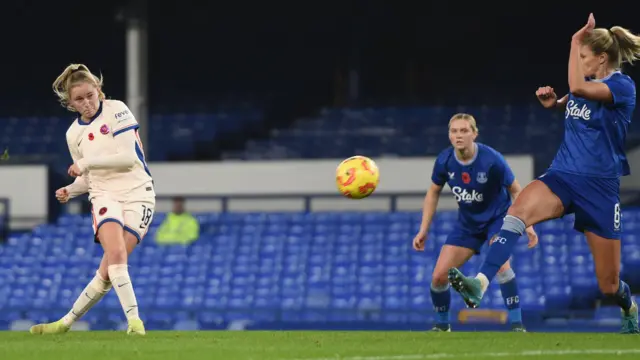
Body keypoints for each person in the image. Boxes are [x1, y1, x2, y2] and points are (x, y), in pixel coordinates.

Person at [448, 14, 640, 334]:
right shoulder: (588, 87)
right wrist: (554, 105)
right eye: (578, 56)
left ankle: (629, 305)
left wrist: (574, 41)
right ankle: (479, 283)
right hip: (562, 176)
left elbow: (577, 87)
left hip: (600, 189)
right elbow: (573, 99)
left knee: (607, 284)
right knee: (516, 212)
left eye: (583, 57)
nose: (580, 62)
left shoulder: (621, 85)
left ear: (602, 58)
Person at [30, 64, 155, 335]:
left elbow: (128, 158)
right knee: (117, 253)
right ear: (70, 103)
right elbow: (88, 178)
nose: (87, 103)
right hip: (104, 194)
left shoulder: (117, 109)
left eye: (90, 95)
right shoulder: (73, 135)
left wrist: (86, 163)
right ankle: (135, 322)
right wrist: (71, 190)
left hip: (138, 192)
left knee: (108, 271)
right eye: (79, 99)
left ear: (98, 90)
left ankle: (64, 324)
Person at [412, 113, 538, 332]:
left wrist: (527, 224)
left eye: (464, 130)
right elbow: (433, 192)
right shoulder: (444, 161)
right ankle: (442, 328)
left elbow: (516, 190)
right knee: (439, 276)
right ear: (449, 135)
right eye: (454, 131)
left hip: (497, 219)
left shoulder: (492, 160)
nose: (458, 135)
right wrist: (423, 229)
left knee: (501, 264)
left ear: (474, 134)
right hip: (467, 225)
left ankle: (517, 325)